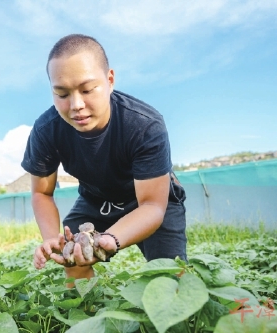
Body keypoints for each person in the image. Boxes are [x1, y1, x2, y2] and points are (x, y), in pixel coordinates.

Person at [21, 34, 187, 283]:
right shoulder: (47, 130)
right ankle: (84, 311)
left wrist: (111, 239)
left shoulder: (144, 125)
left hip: (150, 200)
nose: (76, 105)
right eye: (62, 94)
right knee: (73, 258)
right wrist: (51, 237)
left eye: (87, 90)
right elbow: (41, 193)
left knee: (171, 278)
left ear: (109, 80)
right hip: (96, 199)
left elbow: (152, 206)